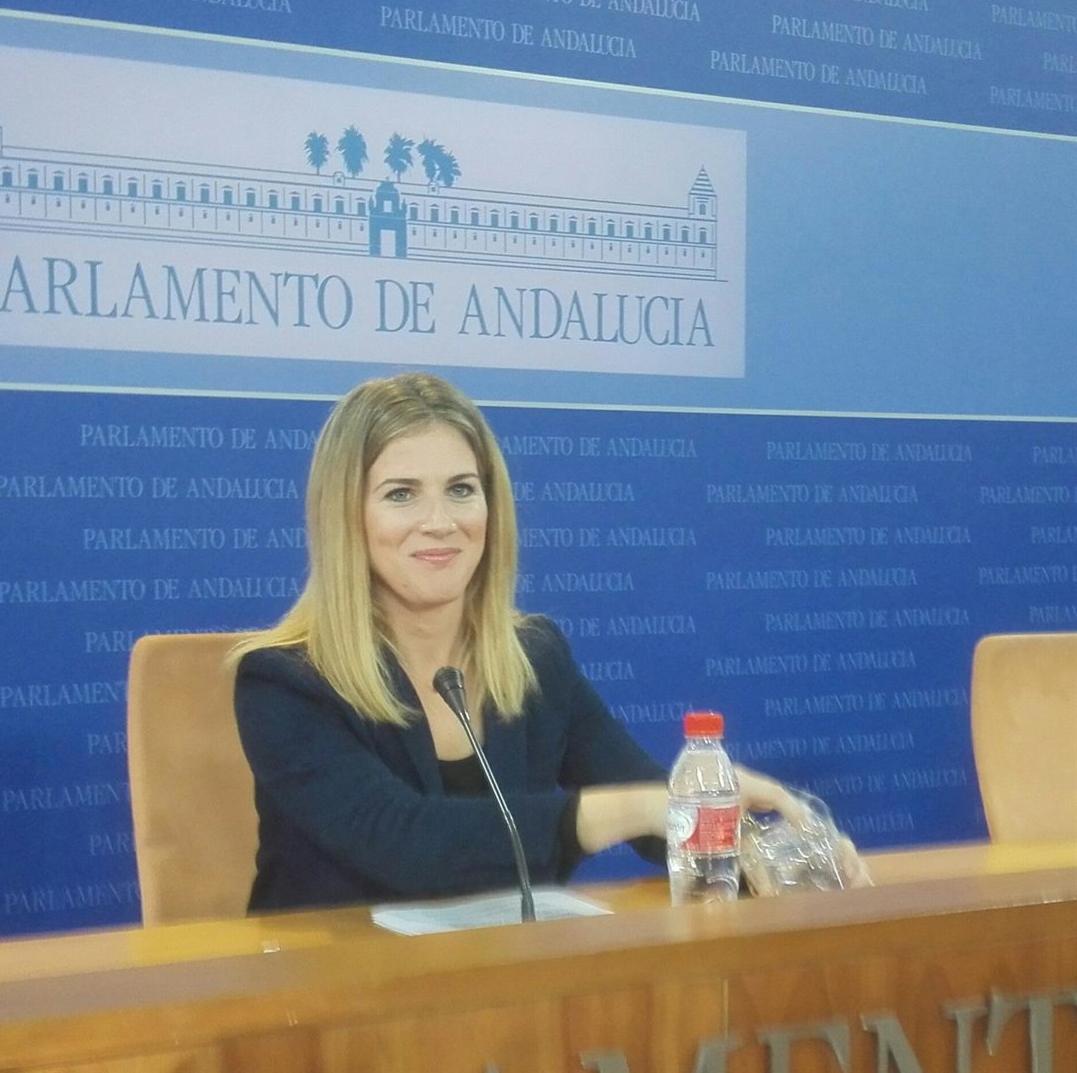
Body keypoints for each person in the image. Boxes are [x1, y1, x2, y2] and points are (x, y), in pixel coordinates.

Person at [232, 372, 802, 912]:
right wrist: (636, 809)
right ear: (345, 516)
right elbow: (410, 846)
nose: (440, 521)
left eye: (461, 489)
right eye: (401, 494)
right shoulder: (284, 682)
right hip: (339, 976)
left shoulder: (534, 659)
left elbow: (646, 800)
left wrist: (776, 857)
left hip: (508, 968)